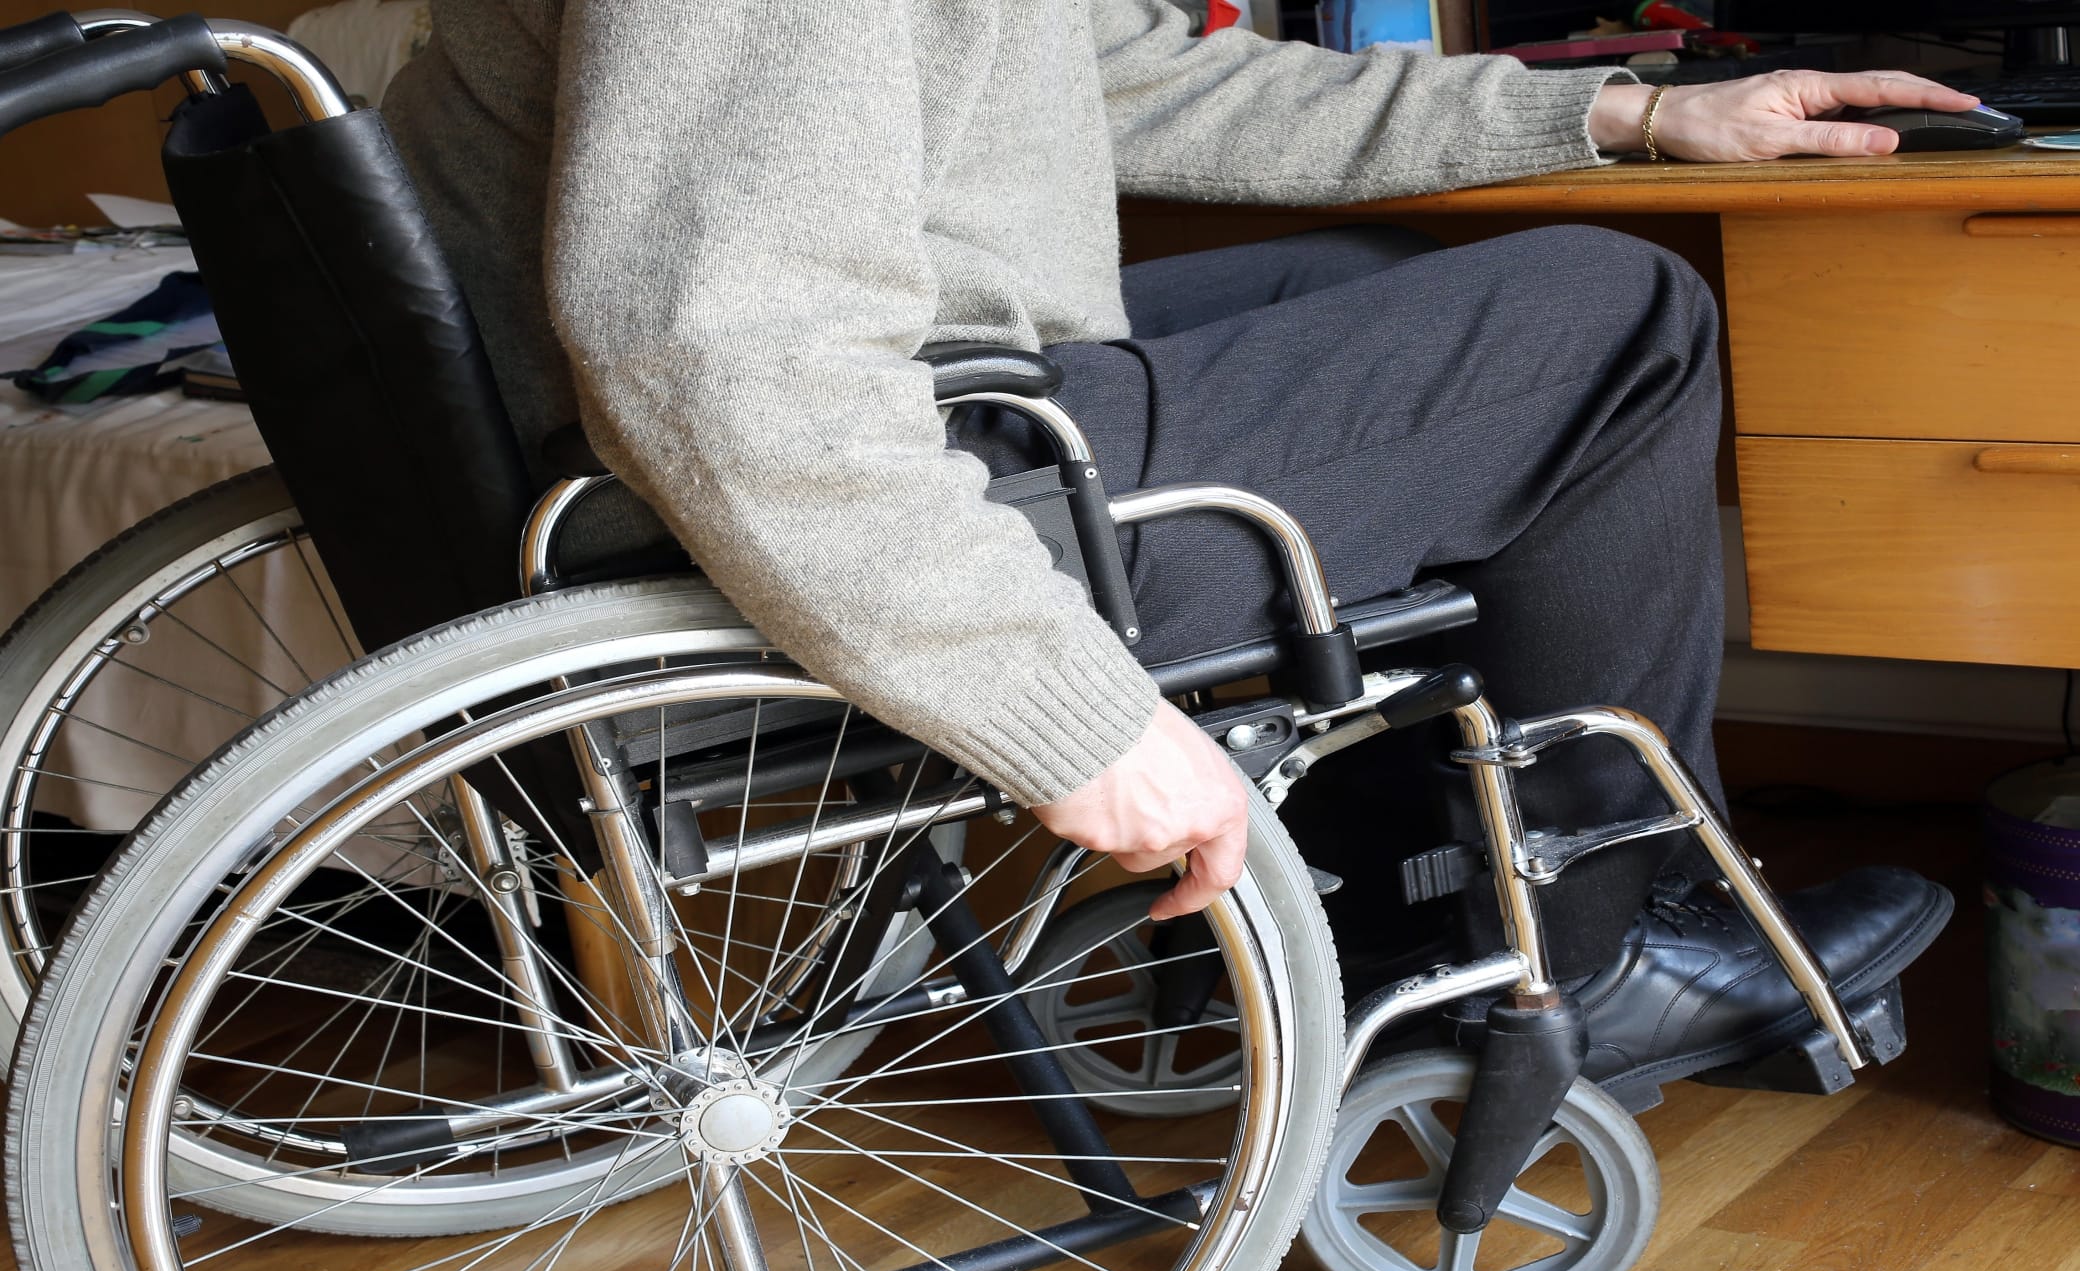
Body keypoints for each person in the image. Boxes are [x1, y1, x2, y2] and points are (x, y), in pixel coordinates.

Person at [383, 1, 1956, 1105]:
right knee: (1620, 324)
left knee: (1379, 281)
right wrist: (1075, 720)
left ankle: (1387, 929)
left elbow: (1131, 76)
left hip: (873, 425)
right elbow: (719, 353)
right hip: (848, 498)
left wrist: (1625, 111)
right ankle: (1602, 948)